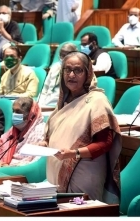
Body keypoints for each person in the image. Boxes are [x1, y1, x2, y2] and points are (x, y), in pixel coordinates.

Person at [39, 51, 121, 204]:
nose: (71, 75)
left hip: (85, 171)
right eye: (67, 69)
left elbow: (105, 143)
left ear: (88, 73)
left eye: (78, 70)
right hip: (56, 171)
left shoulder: (97, 101)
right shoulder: (63, 102)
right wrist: (45, 144)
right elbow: (55, 133)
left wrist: (74, 153)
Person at [0, 98, 45, 167]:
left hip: (22, 172)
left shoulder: (40, 131)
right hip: (4, 169)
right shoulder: (14, 130)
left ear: (30, 114)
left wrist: (9, 168)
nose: (14, 114)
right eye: (13, 111)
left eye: (18, 112)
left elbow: (35, 161)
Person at [38, 42, 78, 107]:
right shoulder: (55, 67)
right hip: (46, 104)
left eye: (66, 55)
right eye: (62, 55)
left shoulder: (79, 71)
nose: (63, 57)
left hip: (65, 106)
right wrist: (40, 104)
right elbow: (45, 88)